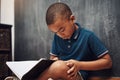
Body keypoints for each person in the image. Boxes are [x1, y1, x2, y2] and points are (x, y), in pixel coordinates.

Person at [38, 2, 112, 80]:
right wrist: (55, 60)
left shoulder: (88, 36)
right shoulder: (57, 37)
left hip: (76, 75)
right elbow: (53, 57)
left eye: (62, 30)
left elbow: (108, 62)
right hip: (59, 75)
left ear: (72, 19)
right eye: (55, 32)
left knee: (58, 67)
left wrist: (79, 65)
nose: (60, 35)